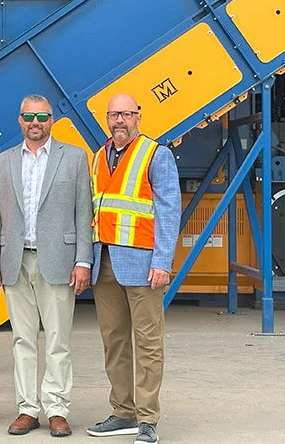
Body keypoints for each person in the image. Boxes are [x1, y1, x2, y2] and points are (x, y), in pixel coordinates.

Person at [0, 94, 93, 438]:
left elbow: (83, 212)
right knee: (22, 340)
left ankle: (57, 408)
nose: (35, 123)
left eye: (42, 117)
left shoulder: (74, 158)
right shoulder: (3, 162)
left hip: (59, 261)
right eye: (29, 117)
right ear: (19, 120)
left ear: (51, 121)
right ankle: (28, 408)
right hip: (15, 260)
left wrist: (83, 260)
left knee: (58, 340)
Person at [86, 93, 181, 444]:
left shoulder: (156, 154)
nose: (119, 121)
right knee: (114, 341)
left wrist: (162, 262)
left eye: (126, 114)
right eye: (113, 115)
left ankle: (147, 418)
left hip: (143, 266)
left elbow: (170, 212)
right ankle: (122, 411)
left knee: (148, 342)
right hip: (104, 263)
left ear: (138, 116)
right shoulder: (99, 156)